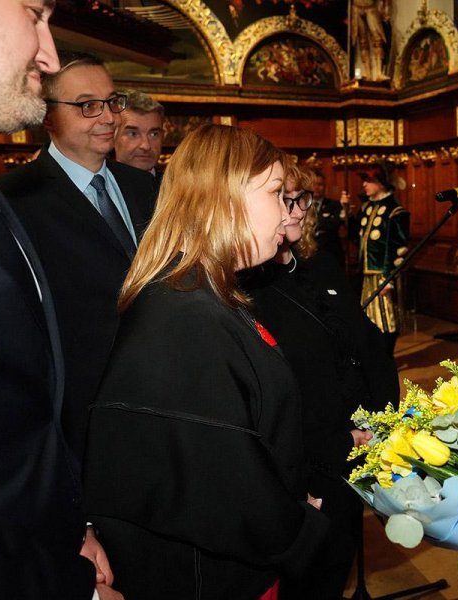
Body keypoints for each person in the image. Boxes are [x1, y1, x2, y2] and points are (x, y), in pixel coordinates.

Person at [82, 124, 330, 600]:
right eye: (276, 193)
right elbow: (220, 481)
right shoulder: (186, 313)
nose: (287, 212)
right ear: (224, 196)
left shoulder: (201, 293)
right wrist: (298, 525)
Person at [0, 2, 118, 598]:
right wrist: (72, 586)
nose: (50, 55)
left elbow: (6, 406)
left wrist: (72, 524)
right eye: (33, 13)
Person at [242, 161, 399, 599]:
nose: (294, 210)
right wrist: (334, 442)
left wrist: (385, 422)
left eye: (301, 199)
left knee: (336, 563)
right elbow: (272, 394)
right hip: (305, 462)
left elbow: (367, 346)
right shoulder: (246, 284)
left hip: (356, 450)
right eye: (283, 199)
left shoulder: (321, 265)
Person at [0, 52, 156, 459]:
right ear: (47, 116)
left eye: (112, 102)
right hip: (78, 418)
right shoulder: (14, 199)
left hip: (160, 399)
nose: (108, 118)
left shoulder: (147, 188)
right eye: (87, 106)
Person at [342, 162, 409, 356]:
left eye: (368, 180)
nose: (364, 185)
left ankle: (386, 357)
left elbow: (397, 248)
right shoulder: (368, 207)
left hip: (383, 275)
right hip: (366, 273)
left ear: (381, 183)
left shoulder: (396, 211)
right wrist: (346, 210)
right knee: (370, 319)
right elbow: (355, 237)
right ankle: (376, 357)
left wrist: (388, 278)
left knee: (386, 319)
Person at [113, 89, 164, 190]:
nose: (146, 146)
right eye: (133, 134)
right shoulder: (99, 189)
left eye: (154, 134)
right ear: (112, 136)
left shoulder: (178, 189)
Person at [311, 171, 346, 265]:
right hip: (310, 254)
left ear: (325, 187)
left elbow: (334, 225)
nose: (316, 187)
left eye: (320, 184)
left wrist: (314, 223)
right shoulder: (304, 205)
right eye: (314, 184)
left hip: (330, 253)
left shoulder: (334, 205)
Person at [351, 0, 390, 81]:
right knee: (362, 41)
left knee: (377, 38)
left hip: (370, 7)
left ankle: (379, 72)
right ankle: (367, 73)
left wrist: (385, 10)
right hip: (356, 8)